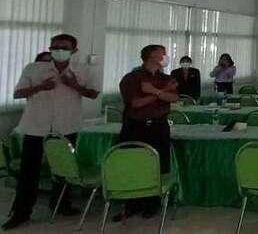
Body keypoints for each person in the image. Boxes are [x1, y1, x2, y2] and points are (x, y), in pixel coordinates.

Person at [3, 34, 99, 230]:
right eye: (55, 47)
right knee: (29, 172)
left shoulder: (83, 70)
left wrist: (75, 86)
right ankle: (21, 213)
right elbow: (17, 93)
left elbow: (93, 94)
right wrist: (40, 87)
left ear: (74, 50)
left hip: (67, 127)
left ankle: (61, 204)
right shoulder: (34, 68)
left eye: (64, 47)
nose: (59, 50)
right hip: (35, 127)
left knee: (64, 169)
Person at [116, 44, 179, 220]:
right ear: (151, 57)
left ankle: (152, 203)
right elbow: (136, 103)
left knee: (157, 164)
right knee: (132, 164)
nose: (165, 57)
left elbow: (173, 97)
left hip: (159, 126)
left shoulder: (166, 78)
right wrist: (161, 93)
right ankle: (131, 204)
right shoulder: (132, 78)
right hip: (135, 126)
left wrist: (155, 91)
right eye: (162, 54)